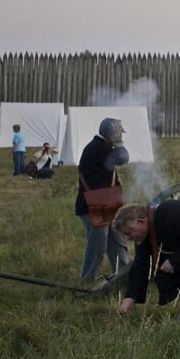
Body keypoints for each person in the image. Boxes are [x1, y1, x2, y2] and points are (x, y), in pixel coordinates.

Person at [75, 117, 130, 282]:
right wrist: (119, 142)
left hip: (106, 203)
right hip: (94, 205)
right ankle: (86, 280)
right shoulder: (100, 148)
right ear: (112, 132)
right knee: (97, 247)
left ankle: (123, 276)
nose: (121, 136)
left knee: (117, 241)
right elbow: (124, 158)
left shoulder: (102, 147)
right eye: (119, 133)